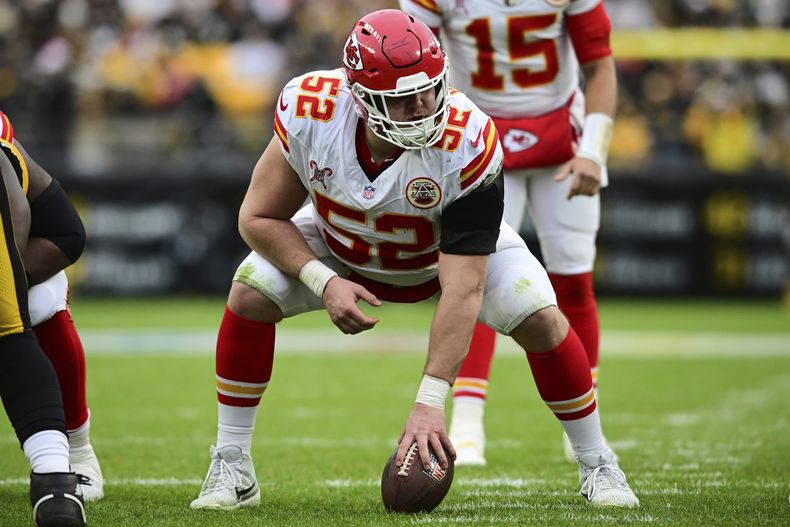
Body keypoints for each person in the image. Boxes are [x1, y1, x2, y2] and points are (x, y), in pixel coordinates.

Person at [190, 8, 637, 510]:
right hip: (340, 247)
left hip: (434, 258)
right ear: (360, 97)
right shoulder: (311, 109)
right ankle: (232, 463)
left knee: (539, 315)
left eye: (431, 89)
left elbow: (464, 286)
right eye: (404, 100)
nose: (424, 107)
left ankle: (598, 461)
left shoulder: (467, 138)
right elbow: (257, 218)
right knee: (251, 289)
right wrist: (322, 281)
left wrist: (429, 403)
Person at [400, 0, 618, 465]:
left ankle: (582, 419)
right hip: (479, 138)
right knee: (474, 277)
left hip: (562, 133)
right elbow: (418, 63)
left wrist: (594, 151)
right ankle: (467, 420)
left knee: (573, 277)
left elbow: (599, 67)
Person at [0, 112, 104, 501]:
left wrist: (10, 280)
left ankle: (76, 453)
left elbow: (18, 213)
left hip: (41, 237)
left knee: (37, 308)